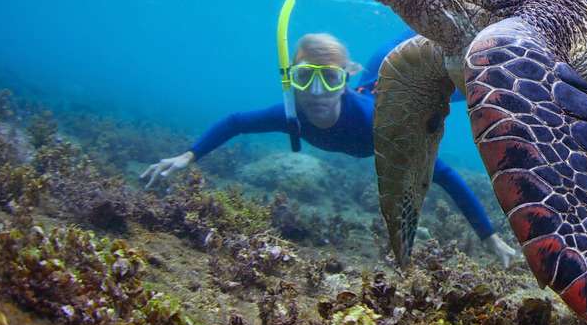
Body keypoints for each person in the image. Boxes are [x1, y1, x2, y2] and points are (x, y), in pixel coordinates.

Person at [142, 33, 518, 267]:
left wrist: (489, 236)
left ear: (343, 81)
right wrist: (188, 155)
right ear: (291, 80)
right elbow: (236, 122)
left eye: (331, 78)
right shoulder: (292, 115)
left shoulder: (381, 125)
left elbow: (444, 175)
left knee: (469, 72)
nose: (318, 92)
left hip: (400, 87)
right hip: (372, 80)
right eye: (306, 77)